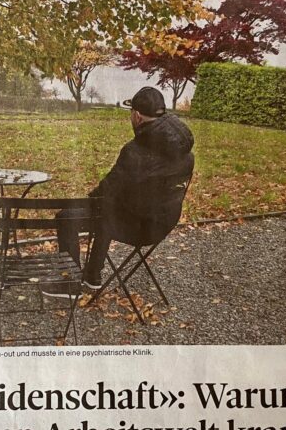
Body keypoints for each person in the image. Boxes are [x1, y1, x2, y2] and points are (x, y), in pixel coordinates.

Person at [46, 86, 195, 297]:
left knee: (68, 216)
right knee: (109, 208)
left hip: (138, 227)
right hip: (163, 224)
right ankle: (92, 276)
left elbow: (105, 192)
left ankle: (68, 284)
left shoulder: (134, 152)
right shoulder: (186, 154)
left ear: (136, 116)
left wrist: (83, 202)